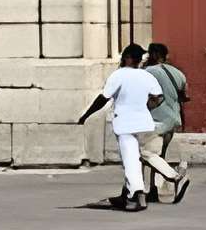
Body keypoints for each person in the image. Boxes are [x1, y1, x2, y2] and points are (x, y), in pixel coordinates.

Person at [77, 43, 185, 210]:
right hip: (147, 122)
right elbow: (159, 98)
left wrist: (86, 115)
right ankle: (141, 193)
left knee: (132, 160)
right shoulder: (147, 76)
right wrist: (145, 107)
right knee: (145, 155)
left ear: (126, 58)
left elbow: (103, 98)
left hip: (127, 124)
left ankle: (135, 196)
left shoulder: (119, 75)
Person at [143, 41, 189, 169]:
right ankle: (155, 185)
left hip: (153, 120)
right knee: (160, 156)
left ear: (153, 54)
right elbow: (184, 96)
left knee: (144, 155)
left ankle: (137, 185)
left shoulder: (146, 72)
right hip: (172, 120)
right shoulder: (178, 73)